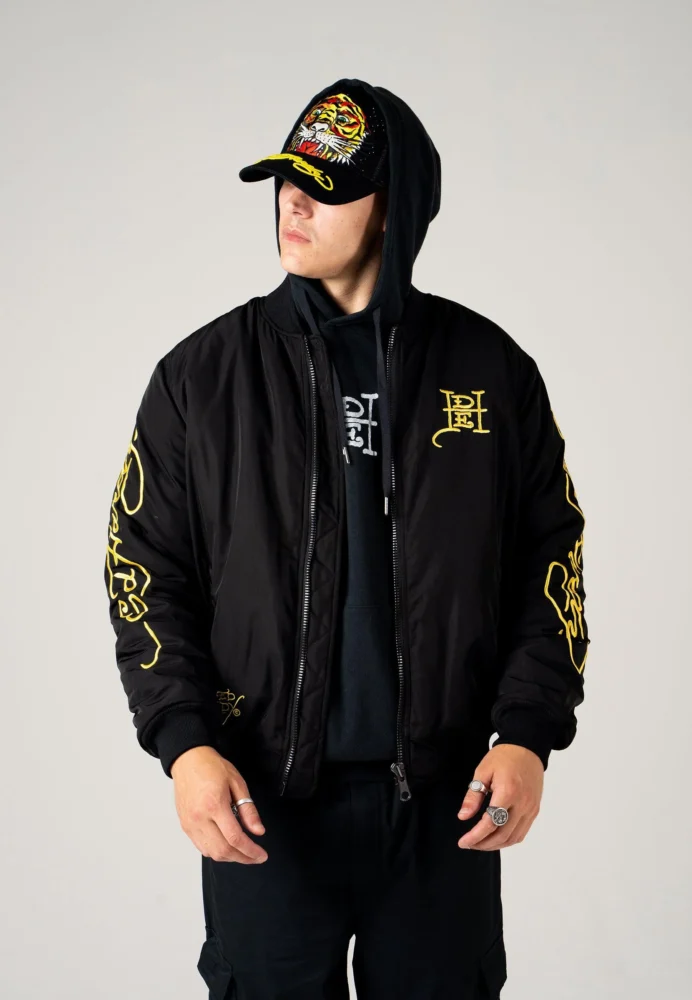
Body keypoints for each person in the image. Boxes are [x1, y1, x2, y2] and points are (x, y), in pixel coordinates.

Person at [103, 77, 590, 999]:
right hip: (263, 806)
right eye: (287, 180)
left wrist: (527, 735)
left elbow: (550, 560)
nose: (293, 202)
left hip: (446, 807)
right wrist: (185, 744)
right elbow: (144, 570)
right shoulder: (201, 379)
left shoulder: (490, 371)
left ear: (392, 210)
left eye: (326, 187)